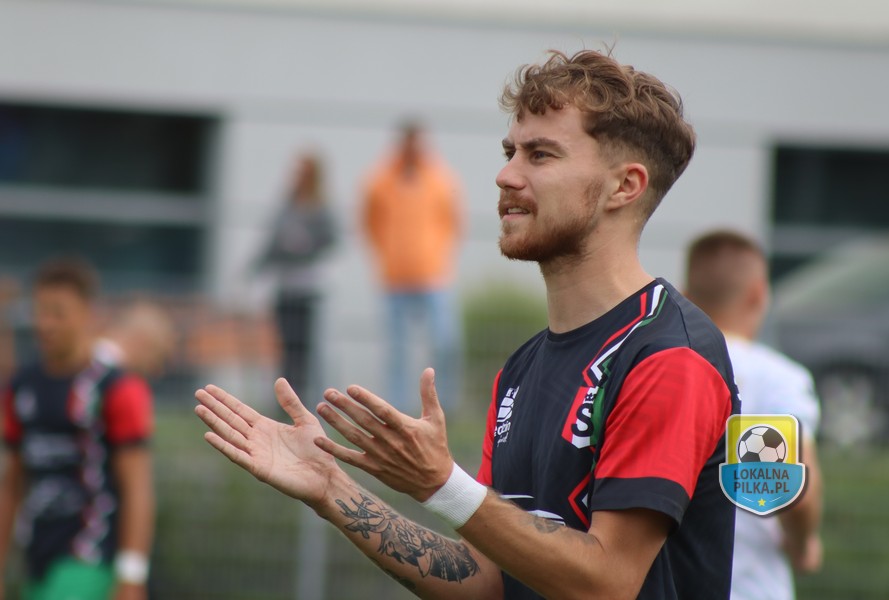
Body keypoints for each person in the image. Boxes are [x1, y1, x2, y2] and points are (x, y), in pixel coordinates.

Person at [195, 49, 739, 599]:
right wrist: (332, 489)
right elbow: (487, 582)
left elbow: (607, 583)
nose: (506, 175)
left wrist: (443, 485)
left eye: (540, 155)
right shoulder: (521, 370)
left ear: (625, 186)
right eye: (510, 152)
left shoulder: (668, 357)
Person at [0, 260, 154, 600]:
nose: (46, 324)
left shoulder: (117, 389)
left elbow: (138, 486)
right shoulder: (21, 388)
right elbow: (12, 483)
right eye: (40, 312)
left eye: (58, 313)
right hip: (38, 561)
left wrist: (132, 576)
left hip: (91, 559)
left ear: (88, 314)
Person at [684, 230, 824, 600]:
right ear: (759, 294)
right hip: (752, 588)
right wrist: (803, 544)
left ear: (685, 296)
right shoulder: (777, 379)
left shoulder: (661, 371)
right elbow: (797, 493)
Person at [361, 121, 463, 412]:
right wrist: (386, 254)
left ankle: (445, 405)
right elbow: (370, 222)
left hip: (433, 277)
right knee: (397, 351)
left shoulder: (440, 178)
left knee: (445, 343)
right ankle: (397, 409)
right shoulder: (381, 180)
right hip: (395, 278)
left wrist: (438, 255)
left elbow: (453, 222)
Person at [255, 152, 337, 399]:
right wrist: (257, 268)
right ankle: (284, 398)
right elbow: (272, 242)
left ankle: (304, 397)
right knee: (285, 348)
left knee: (304, 349)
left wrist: (306, 246)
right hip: (285, 286)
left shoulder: (320, 208)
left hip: (307, 288)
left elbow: (331, 240)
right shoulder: (287, 205)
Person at [94, 299, 176, 379]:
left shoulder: (94, 354)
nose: (158, 371)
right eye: (158, 357)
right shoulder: (113, 375)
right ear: (142, 341)